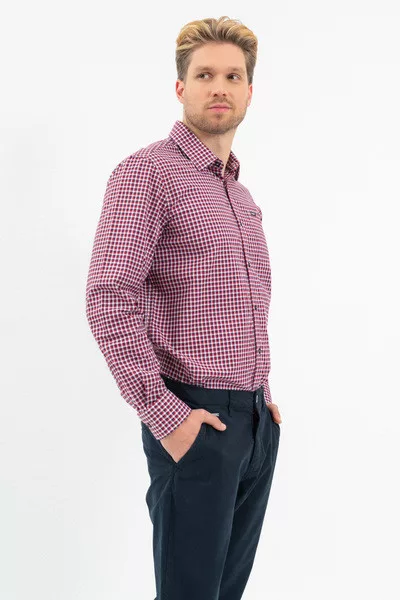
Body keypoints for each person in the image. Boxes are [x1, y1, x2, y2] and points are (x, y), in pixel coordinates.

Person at [85, 15, 282, 600]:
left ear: (250, 92)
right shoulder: (147, 174)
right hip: (193, 420)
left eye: (232, 76)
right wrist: (165, 415)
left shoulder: (240, 195)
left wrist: (262, 402)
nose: (219, 87)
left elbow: (243, 307)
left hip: (254, 424)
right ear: (180, 87)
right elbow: (108, 296)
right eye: (204, 75)